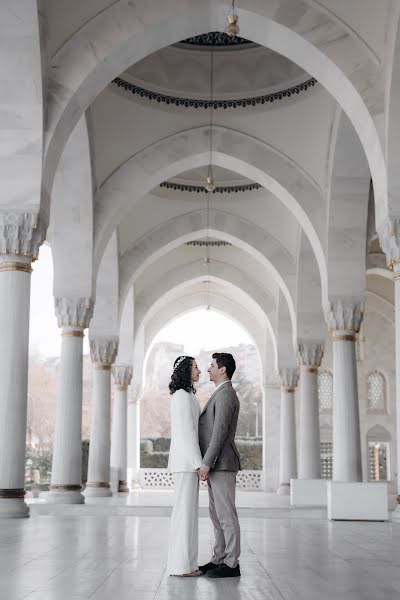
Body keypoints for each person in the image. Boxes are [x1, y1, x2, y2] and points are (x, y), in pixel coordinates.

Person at [198, 352, 241, 578]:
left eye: (212, 365)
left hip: (222, 463)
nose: (208, 369)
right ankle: (219, 559)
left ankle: (232, 563)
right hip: (217, 465)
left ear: (223, 369)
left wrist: (206, 463)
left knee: (226, 515)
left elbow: (219, 434)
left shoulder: (225, 395)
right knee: (217, 516)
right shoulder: (220, 393)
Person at [166, 355, 203, 577]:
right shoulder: (181, 397)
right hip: (186, 463)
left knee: (188, 515)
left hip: (188, 463)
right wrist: (199, 464)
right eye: (196, 367)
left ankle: (187, 564)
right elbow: (187, 433)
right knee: (184, 514)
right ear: (186, 371)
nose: (199, 371)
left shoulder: (187, 396)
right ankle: (181, 566)